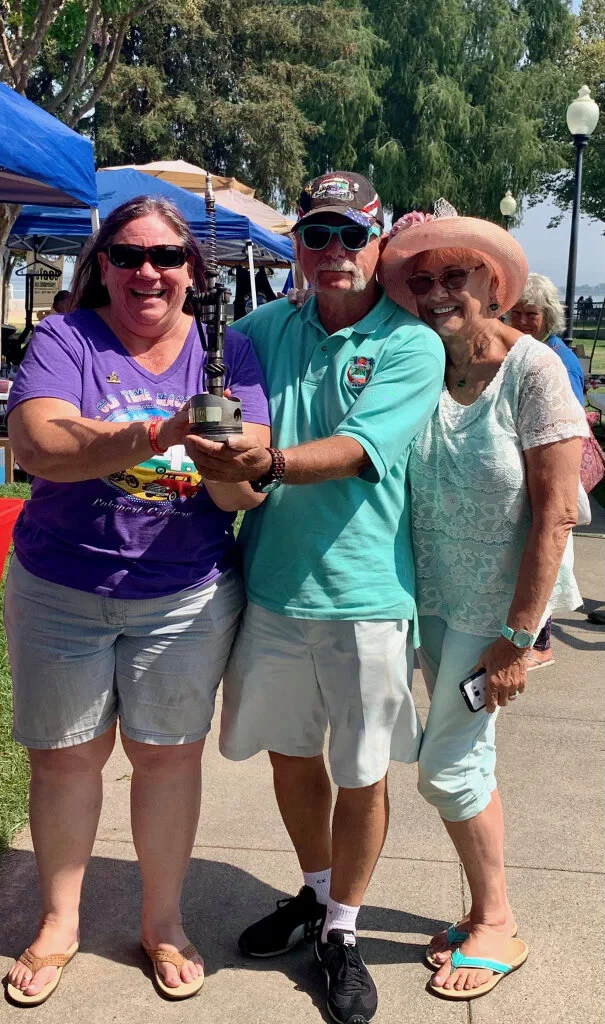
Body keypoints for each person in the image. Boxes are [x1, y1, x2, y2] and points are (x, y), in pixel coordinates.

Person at [185, 171, 445, 1024]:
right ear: (296, 242)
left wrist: (265, 464)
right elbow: (202, 391)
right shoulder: (260, 328)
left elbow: (361, 447)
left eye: (350, 236)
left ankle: (341, 930)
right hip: (271, 587)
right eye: (317, 235)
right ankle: (315, 889)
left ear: (377, 246)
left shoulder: (410, 343)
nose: (333, 253)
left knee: (361, 769)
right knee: (291, 756)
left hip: (368, 594)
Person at [4, 196, 270, 1006]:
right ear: (102, 267)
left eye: (165, 256)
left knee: (166, 758)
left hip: (183, 596)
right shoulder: (66, 338)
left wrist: (236, 462)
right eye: (126, 255)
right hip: (60, 588)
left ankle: (162, 920)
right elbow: (38, 443)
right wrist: (158, 434)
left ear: (195, 268)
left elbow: (243, 492)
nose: (146, 271)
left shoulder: (234, 351)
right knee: (64, 761)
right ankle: (58, 920)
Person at [379, 205, 587, 1000]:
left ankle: (496, 919)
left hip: (492, 610)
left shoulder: (532, 369)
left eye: (454, 276)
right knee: (467, 758)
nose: (437, 293)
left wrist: (517, 635)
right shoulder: (418, 361)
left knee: (446, 765)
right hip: (426, 593)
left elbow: (556, 512)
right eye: (421, 279)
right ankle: (482, 912)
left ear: (492, 283)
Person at [509, 273, 586, 667]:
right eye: (516, 312)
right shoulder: (518, 351)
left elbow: (567, 426)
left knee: (546, 549)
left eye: (531, 314)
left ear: (548, 316)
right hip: (522, 473)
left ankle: (538, 645)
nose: (522, 321)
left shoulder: (557, 360)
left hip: (545, 475)